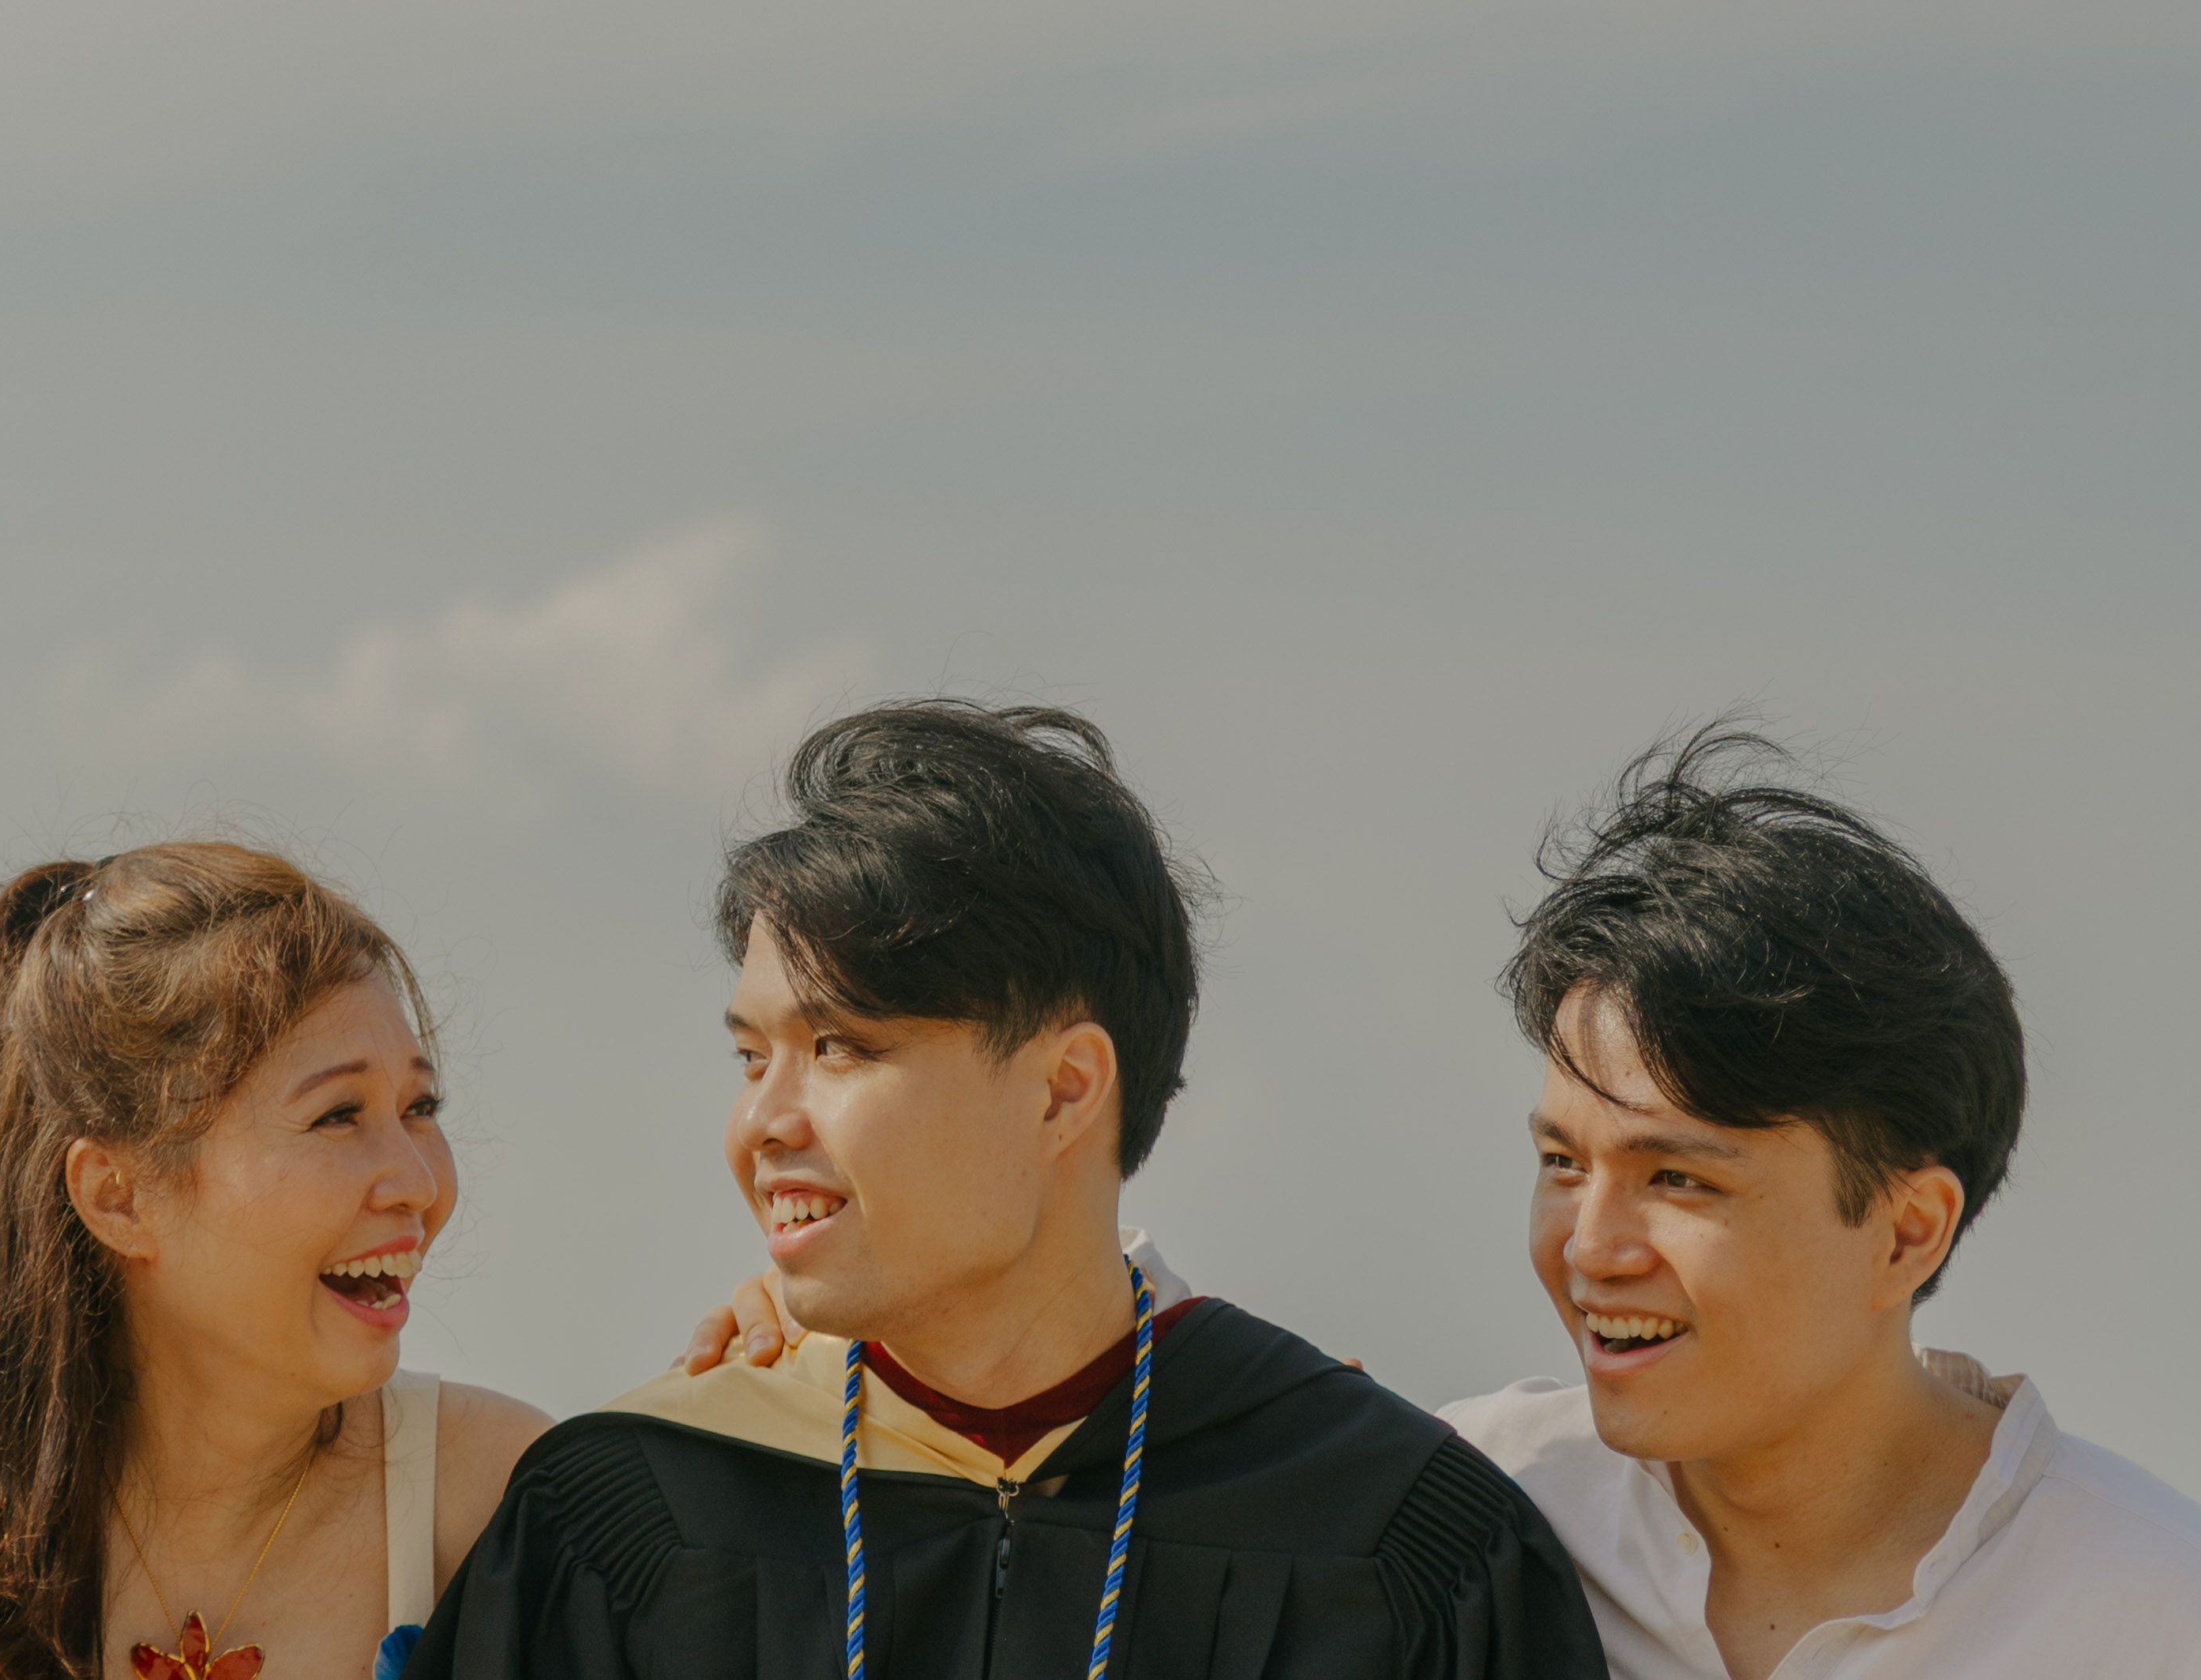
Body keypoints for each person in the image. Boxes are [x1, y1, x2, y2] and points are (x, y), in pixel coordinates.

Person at [415, 700, 1605, 1680]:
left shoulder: (1389, 1525)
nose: (762, 1122)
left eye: (840, 1048)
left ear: (1063, 1090)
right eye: (750, 1056)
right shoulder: (629, 1513)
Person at [1442, 729, 2201, 1678]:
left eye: (1678, 1177)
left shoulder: (2193, 1636)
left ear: (1907, 1232)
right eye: (1562, 1162)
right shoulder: (1448, 1517)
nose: (1591, 1247)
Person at [0, 842, 547, 1680]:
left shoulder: (498, 1487)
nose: (419, 1183)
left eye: (419, 1106)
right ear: (117, 1196)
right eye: (338, 1115)